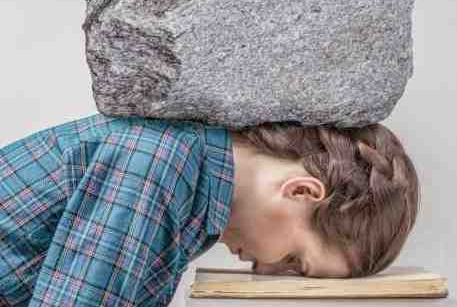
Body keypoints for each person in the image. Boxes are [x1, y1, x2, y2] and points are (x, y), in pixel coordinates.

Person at [0, 112, 420, 306]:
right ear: (302, 192)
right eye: (295, 261)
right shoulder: (160, 162)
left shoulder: (192, 192)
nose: (267, 272)